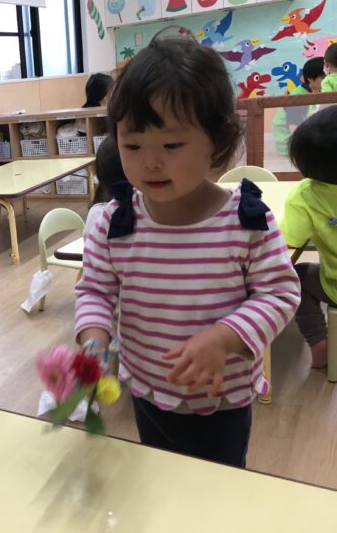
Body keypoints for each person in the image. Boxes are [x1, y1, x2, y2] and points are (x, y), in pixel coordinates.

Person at [74, 37, 300, 467]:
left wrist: (224, 337)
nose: (150, 162)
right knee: (159, 478)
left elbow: (280, 294)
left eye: (171, 146)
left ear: (217, 140)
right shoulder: (115, 222)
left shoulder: (246, 222)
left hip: (220, 402)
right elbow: (95, 292)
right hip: (145, 391)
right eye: (133, 145)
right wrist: (94, 339)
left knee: (214, 492)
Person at [280, 106, 337, 369]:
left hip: (333, 287)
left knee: (296, 277)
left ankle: (318, 342)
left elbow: (289, 239)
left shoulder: (305, 195)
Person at [272, 57, 325, 156]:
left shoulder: (317, 91)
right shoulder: (298, 98)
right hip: (289, 143)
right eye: (324, 77)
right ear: (310, 79)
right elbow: (294, 128)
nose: (328, 80)